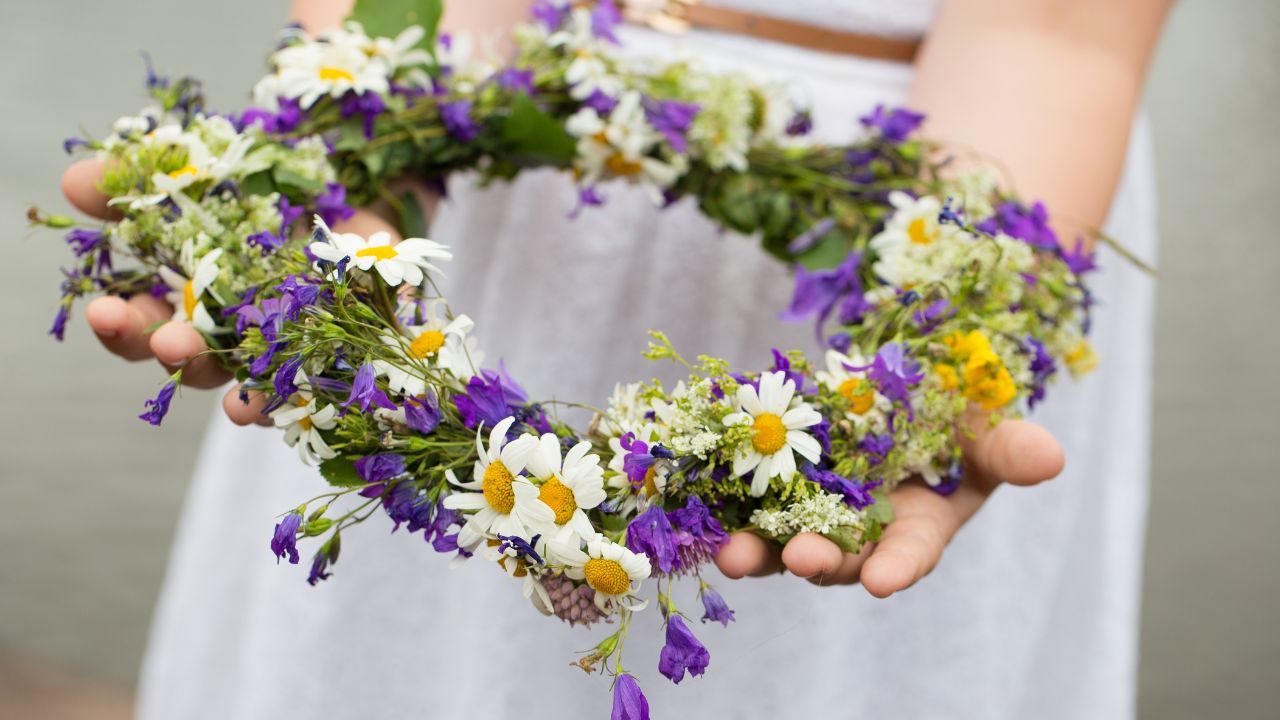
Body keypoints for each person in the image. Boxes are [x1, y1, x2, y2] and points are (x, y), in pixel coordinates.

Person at [60, 0, 1168, 717]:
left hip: (932, 171)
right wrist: (367, 174)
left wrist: (938, 344)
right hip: (489, 135)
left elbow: (1055, 32)